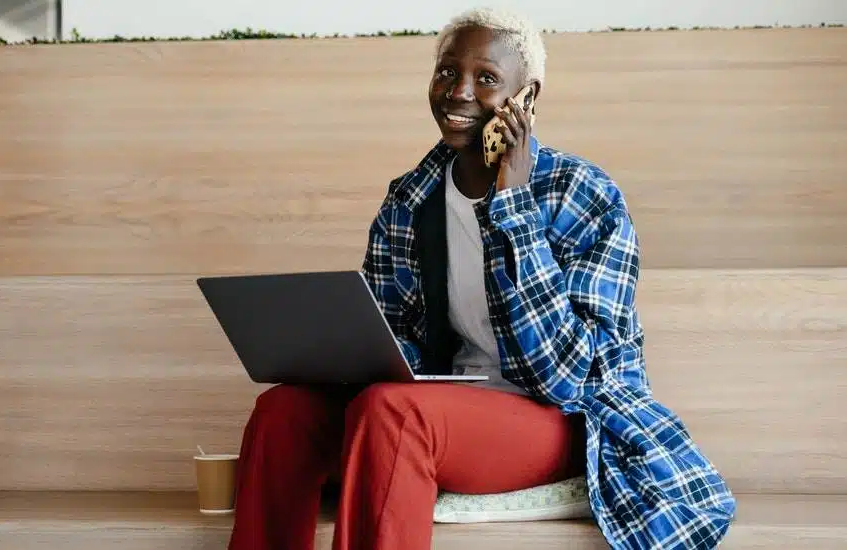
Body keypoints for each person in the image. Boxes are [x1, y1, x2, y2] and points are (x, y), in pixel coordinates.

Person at [227, 7, 737, 550]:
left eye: (487, 79)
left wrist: (513, 205)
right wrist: (335, 353)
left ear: (528, 97)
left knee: (392, 411)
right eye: (447, 72)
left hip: (558, 420)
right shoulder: (409, 199)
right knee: (283, 412)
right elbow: (392, 339)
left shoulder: (584, 195)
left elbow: (570, 379)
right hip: (438, 410)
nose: (458, 91)